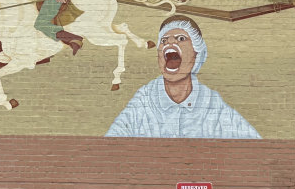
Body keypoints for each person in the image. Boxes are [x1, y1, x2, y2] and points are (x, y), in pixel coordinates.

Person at [105, 16, 261, 139]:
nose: (170, 42)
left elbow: (253, 146)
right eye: (164, 41)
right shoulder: (144, 100)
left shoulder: (211, 104)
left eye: (180, 38)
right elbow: (110, 144)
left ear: (197, 54)